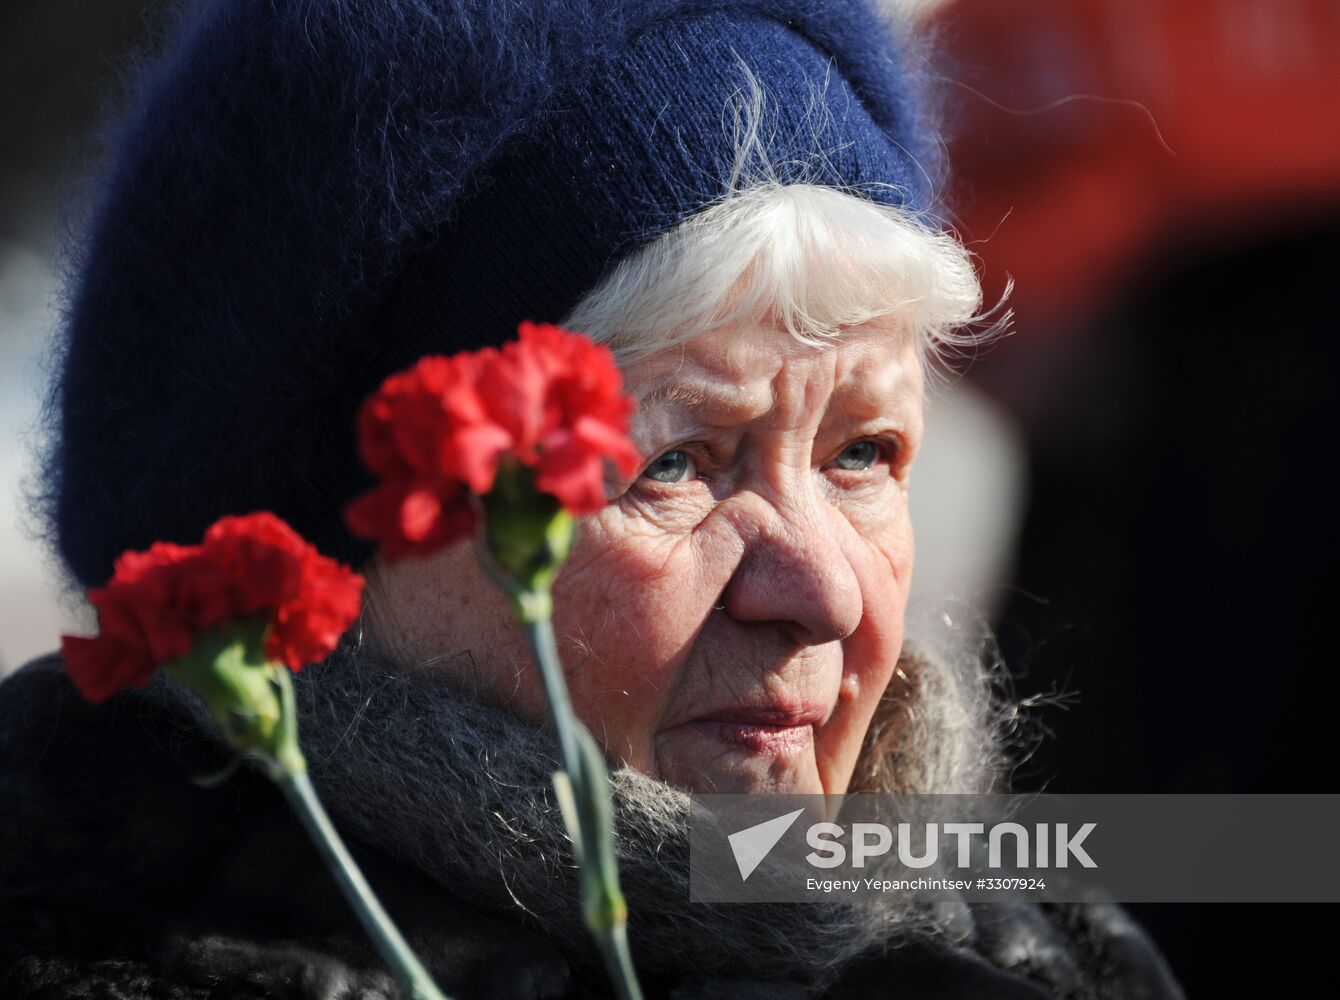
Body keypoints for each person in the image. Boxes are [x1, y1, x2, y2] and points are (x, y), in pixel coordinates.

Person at [0, 1, 1184, 997]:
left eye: (862, 453)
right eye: (671, 462)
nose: (819, 591)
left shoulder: (1043, 942)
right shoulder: (92, 935)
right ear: (320, 563)